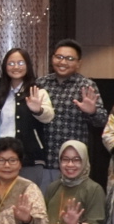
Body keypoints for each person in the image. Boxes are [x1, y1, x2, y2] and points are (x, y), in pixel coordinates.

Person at [35, 39, 108, 188]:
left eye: (69, 58)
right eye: (59, 57)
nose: (63, 62)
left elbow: (102, 121)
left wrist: (92, 111)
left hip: (73, 164)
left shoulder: (86, 86)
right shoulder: (41, 83)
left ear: (79, 63)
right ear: (52, 58)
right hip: (44, 160)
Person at [0, 48, 54, 184]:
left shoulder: (37, 92)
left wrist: (38, 110)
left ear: (28, 66)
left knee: (27, 195)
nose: (16, 67)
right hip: (2, 157)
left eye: (21, 63)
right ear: (5, 67)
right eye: (11, 63)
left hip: (29, 158)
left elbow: (49, 116)